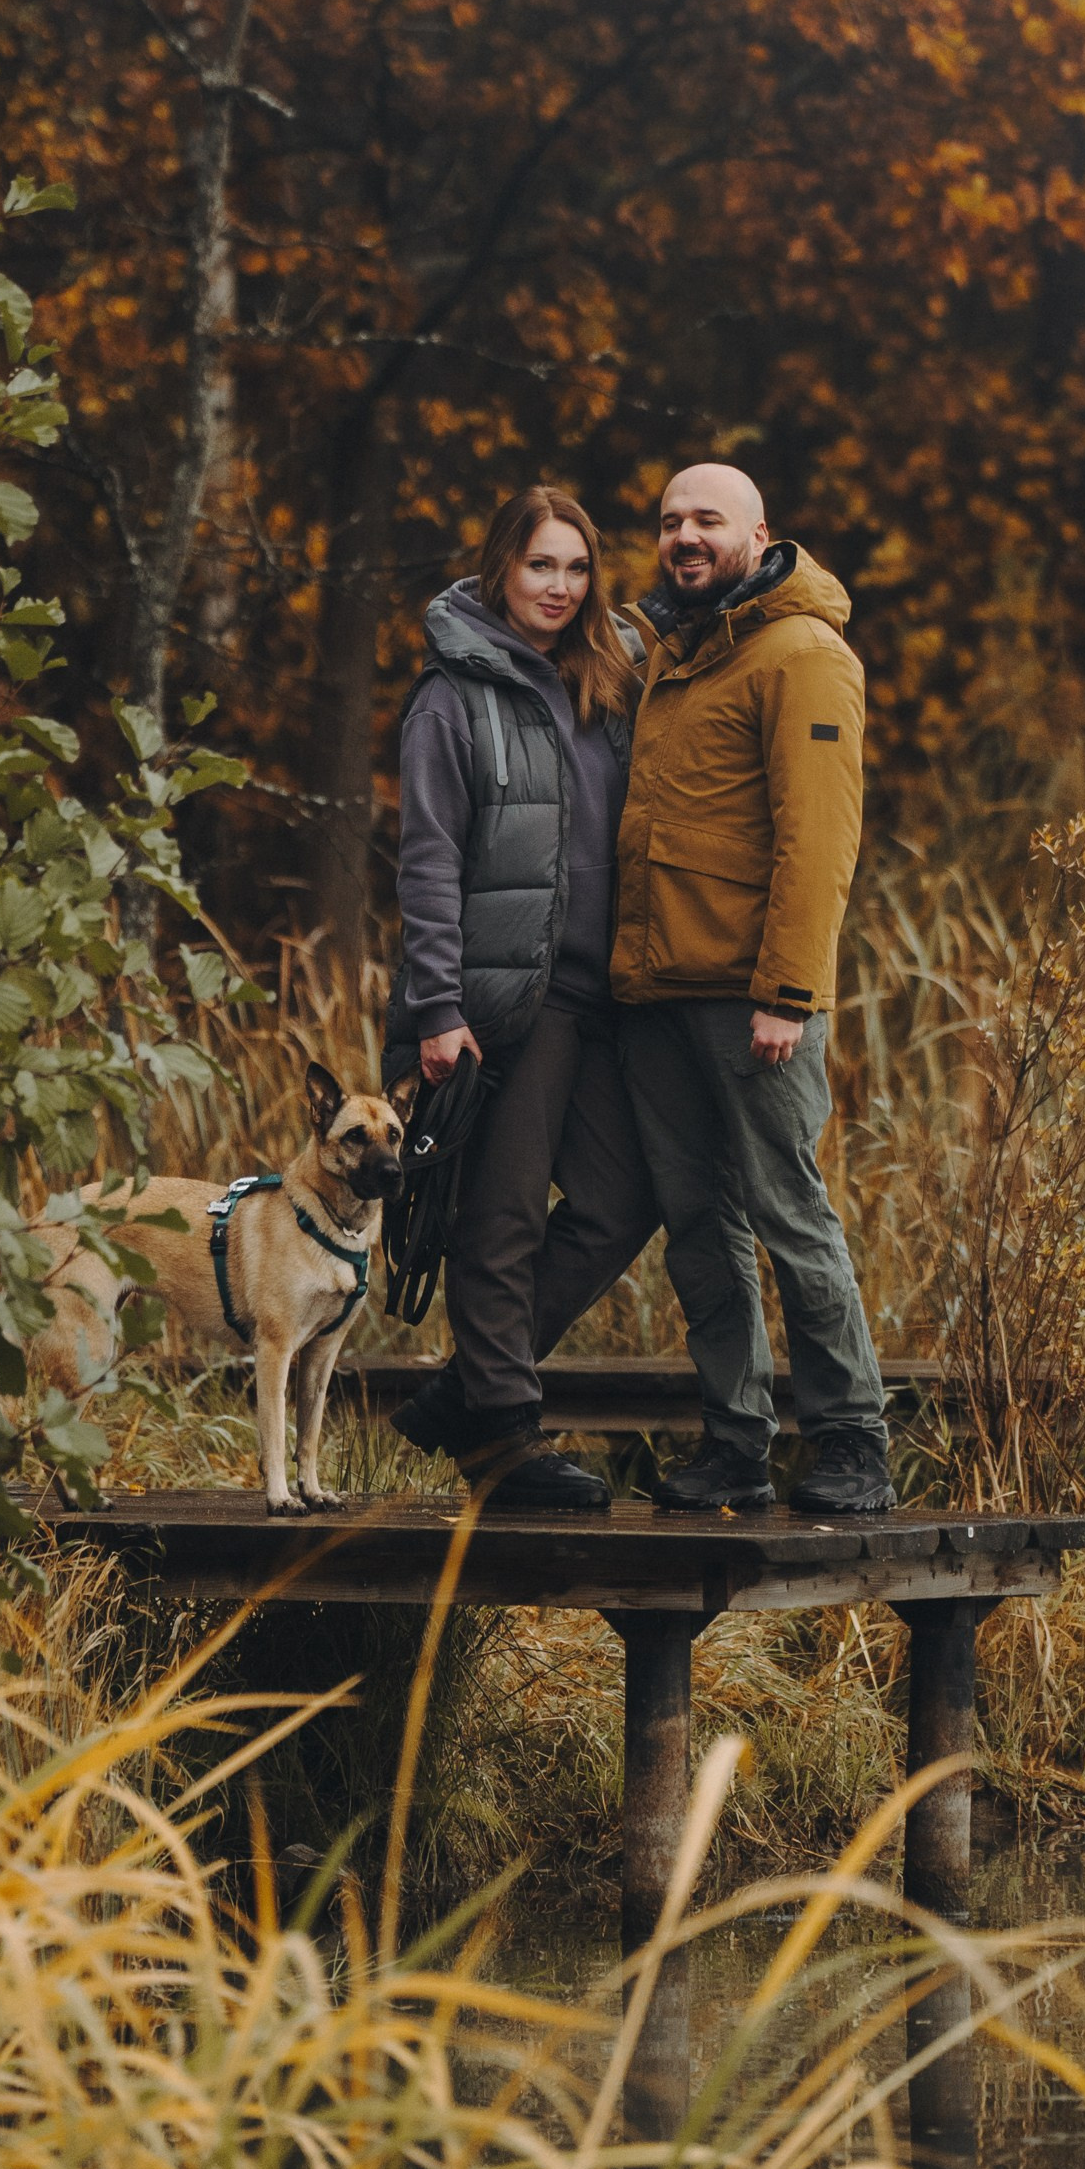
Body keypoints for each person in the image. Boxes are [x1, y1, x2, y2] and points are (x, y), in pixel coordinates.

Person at [610, 460, 894, 1517]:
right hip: (658, 994)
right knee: (698, 1225)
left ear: (759, 535)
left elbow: (818, 842)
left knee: (789, 1212)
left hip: (753, 1000)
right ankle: (735, 1444)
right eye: (669, 520)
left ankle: (852, 1441)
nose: (684, 536)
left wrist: (788, 991)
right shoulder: (673, 652)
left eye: (707, 520)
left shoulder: (803, 656)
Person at [380, 486, 659, 1509]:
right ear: (501, 565)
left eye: (576, 568)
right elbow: (427, 860)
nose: (559, 587)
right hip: (502, 1002)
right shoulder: (450, 698)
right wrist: (438, 1009)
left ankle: (466, 1389)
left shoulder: (609, 682)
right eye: (541, 565)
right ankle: (500, 1437)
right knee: (499, 1217)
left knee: (624, 1198)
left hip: (603, 997)